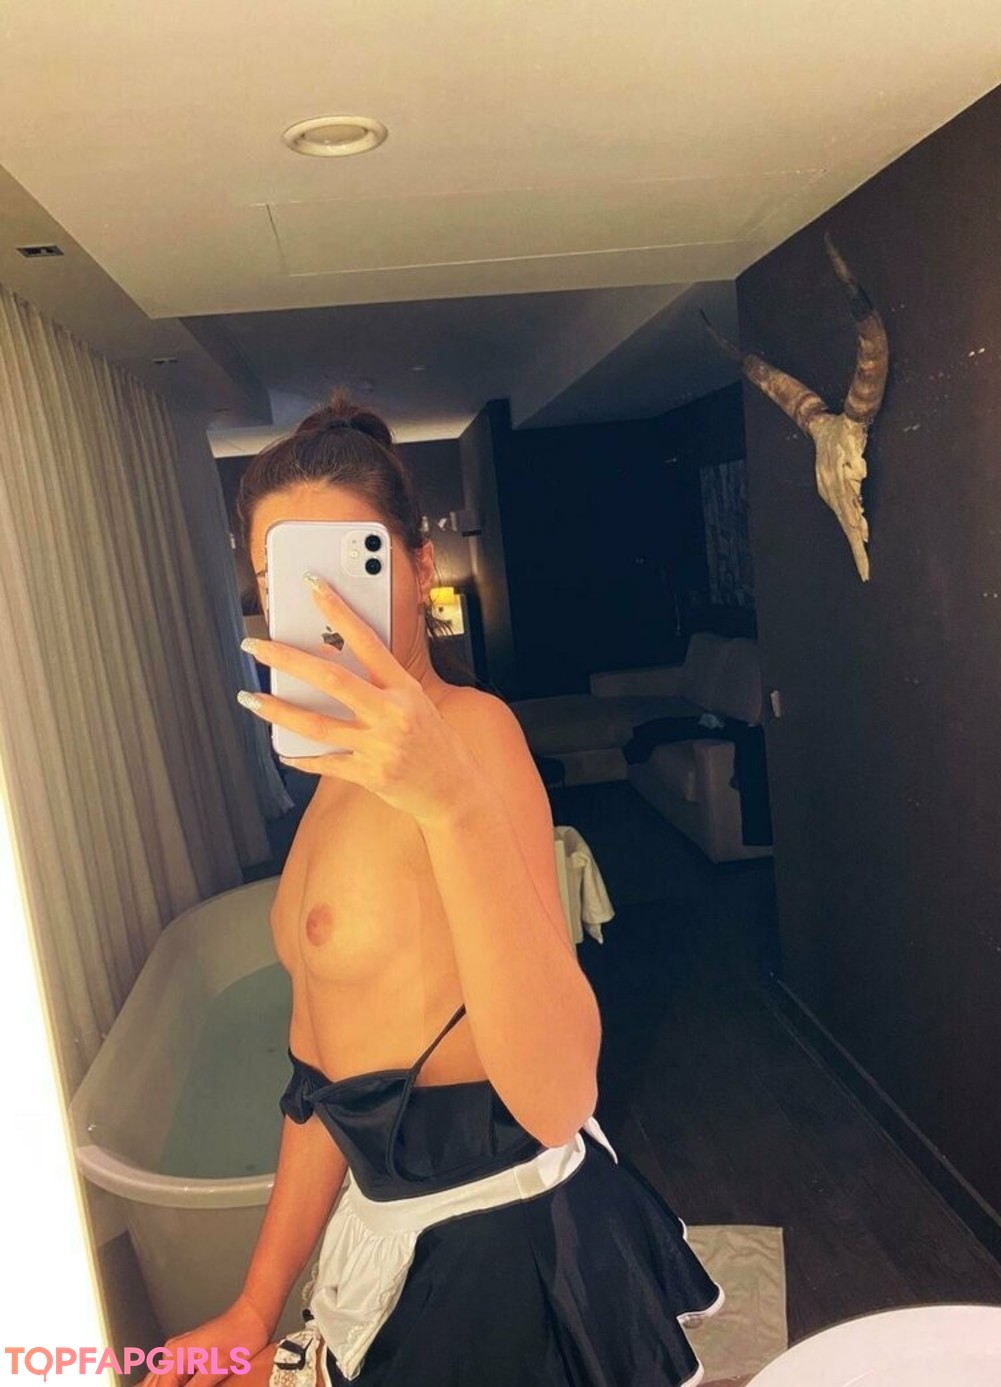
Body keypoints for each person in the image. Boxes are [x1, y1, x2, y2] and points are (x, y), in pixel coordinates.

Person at [142, 392, 723, 1387]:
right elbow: (320, 1069)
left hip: (501, 1256)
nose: (321, 611)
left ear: (416, 570)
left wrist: (452, 806)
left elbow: (560, 1096)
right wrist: (253, 1303)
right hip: (399, 1233)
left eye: (346, 574)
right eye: (284, 582)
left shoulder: (474, 735)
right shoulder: (332, 771)